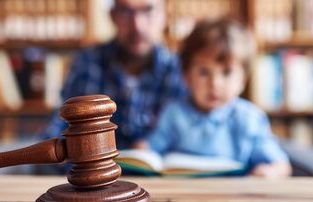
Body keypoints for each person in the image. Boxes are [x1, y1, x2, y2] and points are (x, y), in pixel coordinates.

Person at [135, 18, 292, 178]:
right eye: (204, 72)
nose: (214, 83)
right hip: (182, 195)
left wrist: (269, 172)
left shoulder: (249, 119)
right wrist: (141, 151)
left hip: (233, 198)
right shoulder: (174, 113)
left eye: (226, 72)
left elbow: (280, 165)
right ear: (186, 76)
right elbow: (152, 146)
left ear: (243, 79)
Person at [41, 0, 185, 150]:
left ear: (165, 13)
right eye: (125, 11)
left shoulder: (181, 70)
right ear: (112, 15)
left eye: (148, 10)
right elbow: (60, 124)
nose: (137, 25)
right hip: (91, 171)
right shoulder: (88, 63)